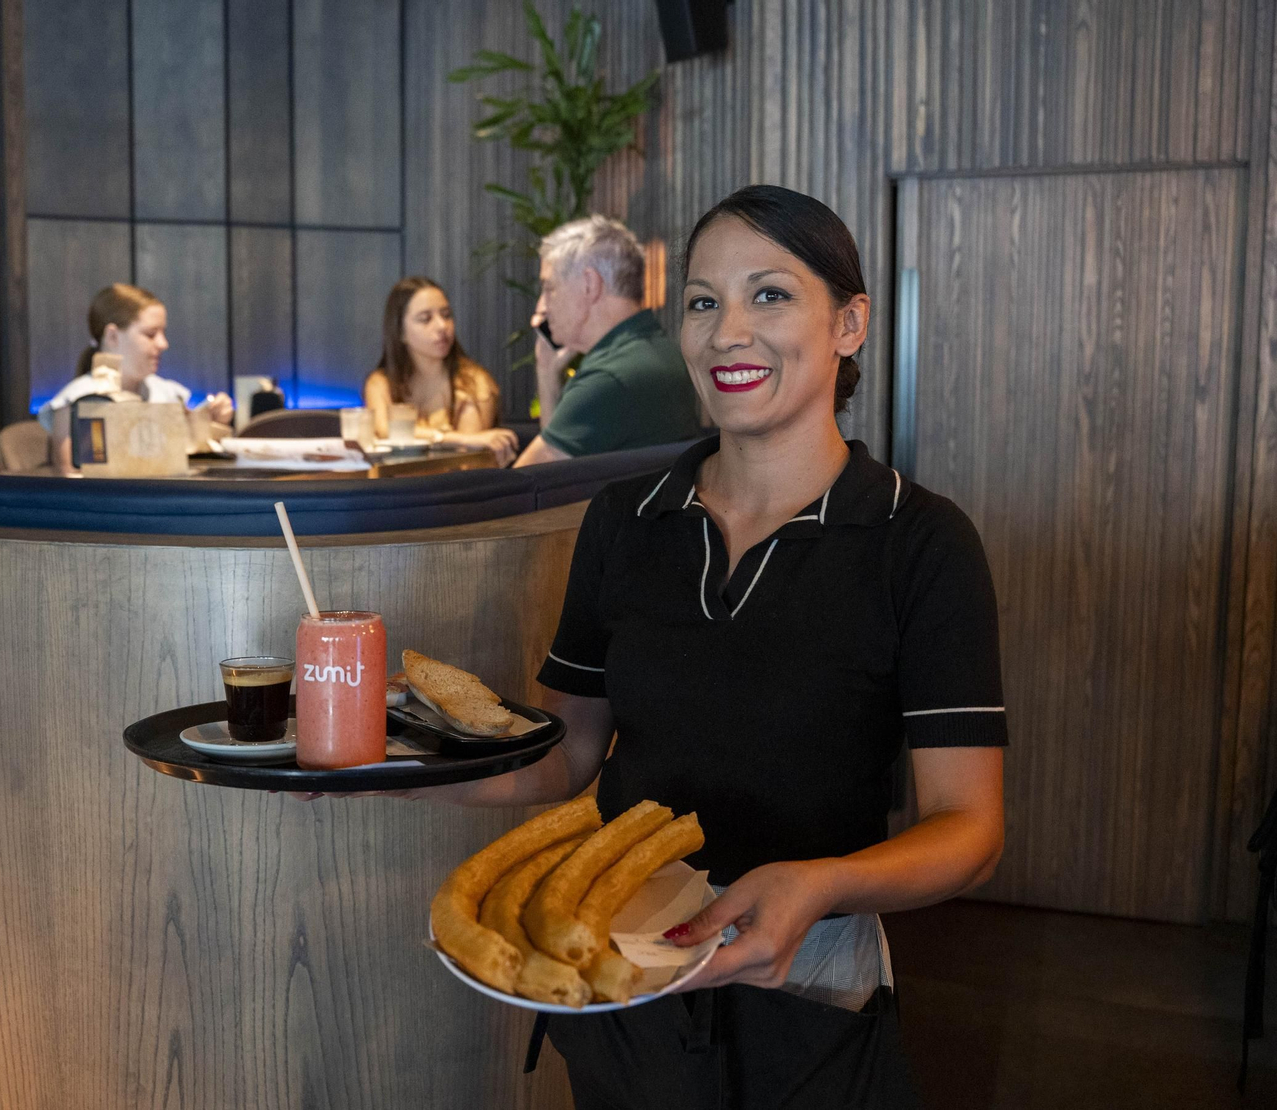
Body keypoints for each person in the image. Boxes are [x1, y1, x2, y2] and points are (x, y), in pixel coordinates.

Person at [378, 186, 1008, 1107]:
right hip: (626, 973)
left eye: (771, 295)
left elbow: (971, 830)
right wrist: (383, 762)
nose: (727, 333)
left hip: (810, 990)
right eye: (704, 303)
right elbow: (564, 760)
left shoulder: (921, 541)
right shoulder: (625, 520)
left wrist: (820, 885)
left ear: (850, 324)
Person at [513, 214, 700, 467]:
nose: (541, 306)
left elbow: (529, 482)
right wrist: (547, 370)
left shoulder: (610, 376)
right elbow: (552, 475)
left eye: (549, 288)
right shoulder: (658, 350)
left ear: (590, 284)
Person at [38, 283, 234, 472]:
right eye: (151, 334)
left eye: (163, 333)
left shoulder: (167, 393)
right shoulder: (79, 401)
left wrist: (213, 422)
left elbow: (195, 458)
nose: (163, 343)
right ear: (113, 336)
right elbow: (73, 477)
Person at [363, 277, 519, 467]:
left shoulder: (472, 381)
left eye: (446, 315)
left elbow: (466, 463)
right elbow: (384, 429)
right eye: (425, 319)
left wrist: (458, 440)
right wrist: (450, 438)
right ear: (400, 331)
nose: (442, 327)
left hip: (456, 492)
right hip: (397, 491)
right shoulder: (381, 383)